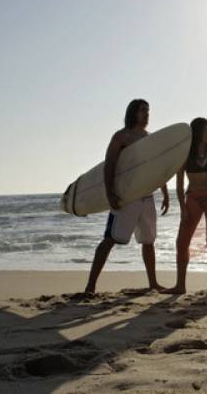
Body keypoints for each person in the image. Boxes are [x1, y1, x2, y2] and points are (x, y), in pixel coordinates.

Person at [84, 99, 169, 294]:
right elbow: (110, 166)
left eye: (148, 111)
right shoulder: (121, 137)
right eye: (142, 111)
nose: (146, 114)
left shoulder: (150, 138)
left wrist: (164, 192)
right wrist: (110, 194)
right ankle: (90, 285)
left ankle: (153, 283)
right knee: (110, 239)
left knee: (148, 241)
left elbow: (156, 168)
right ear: (133, 113)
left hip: (147, 197)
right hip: (127, 197)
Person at [163, 118, 207, 295]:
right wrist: (183, 208)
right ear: (198, 132)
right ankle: (180, 285)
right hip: (192, 197)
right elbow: (178, 183)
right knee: (182, 241)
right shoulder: (184, 154)